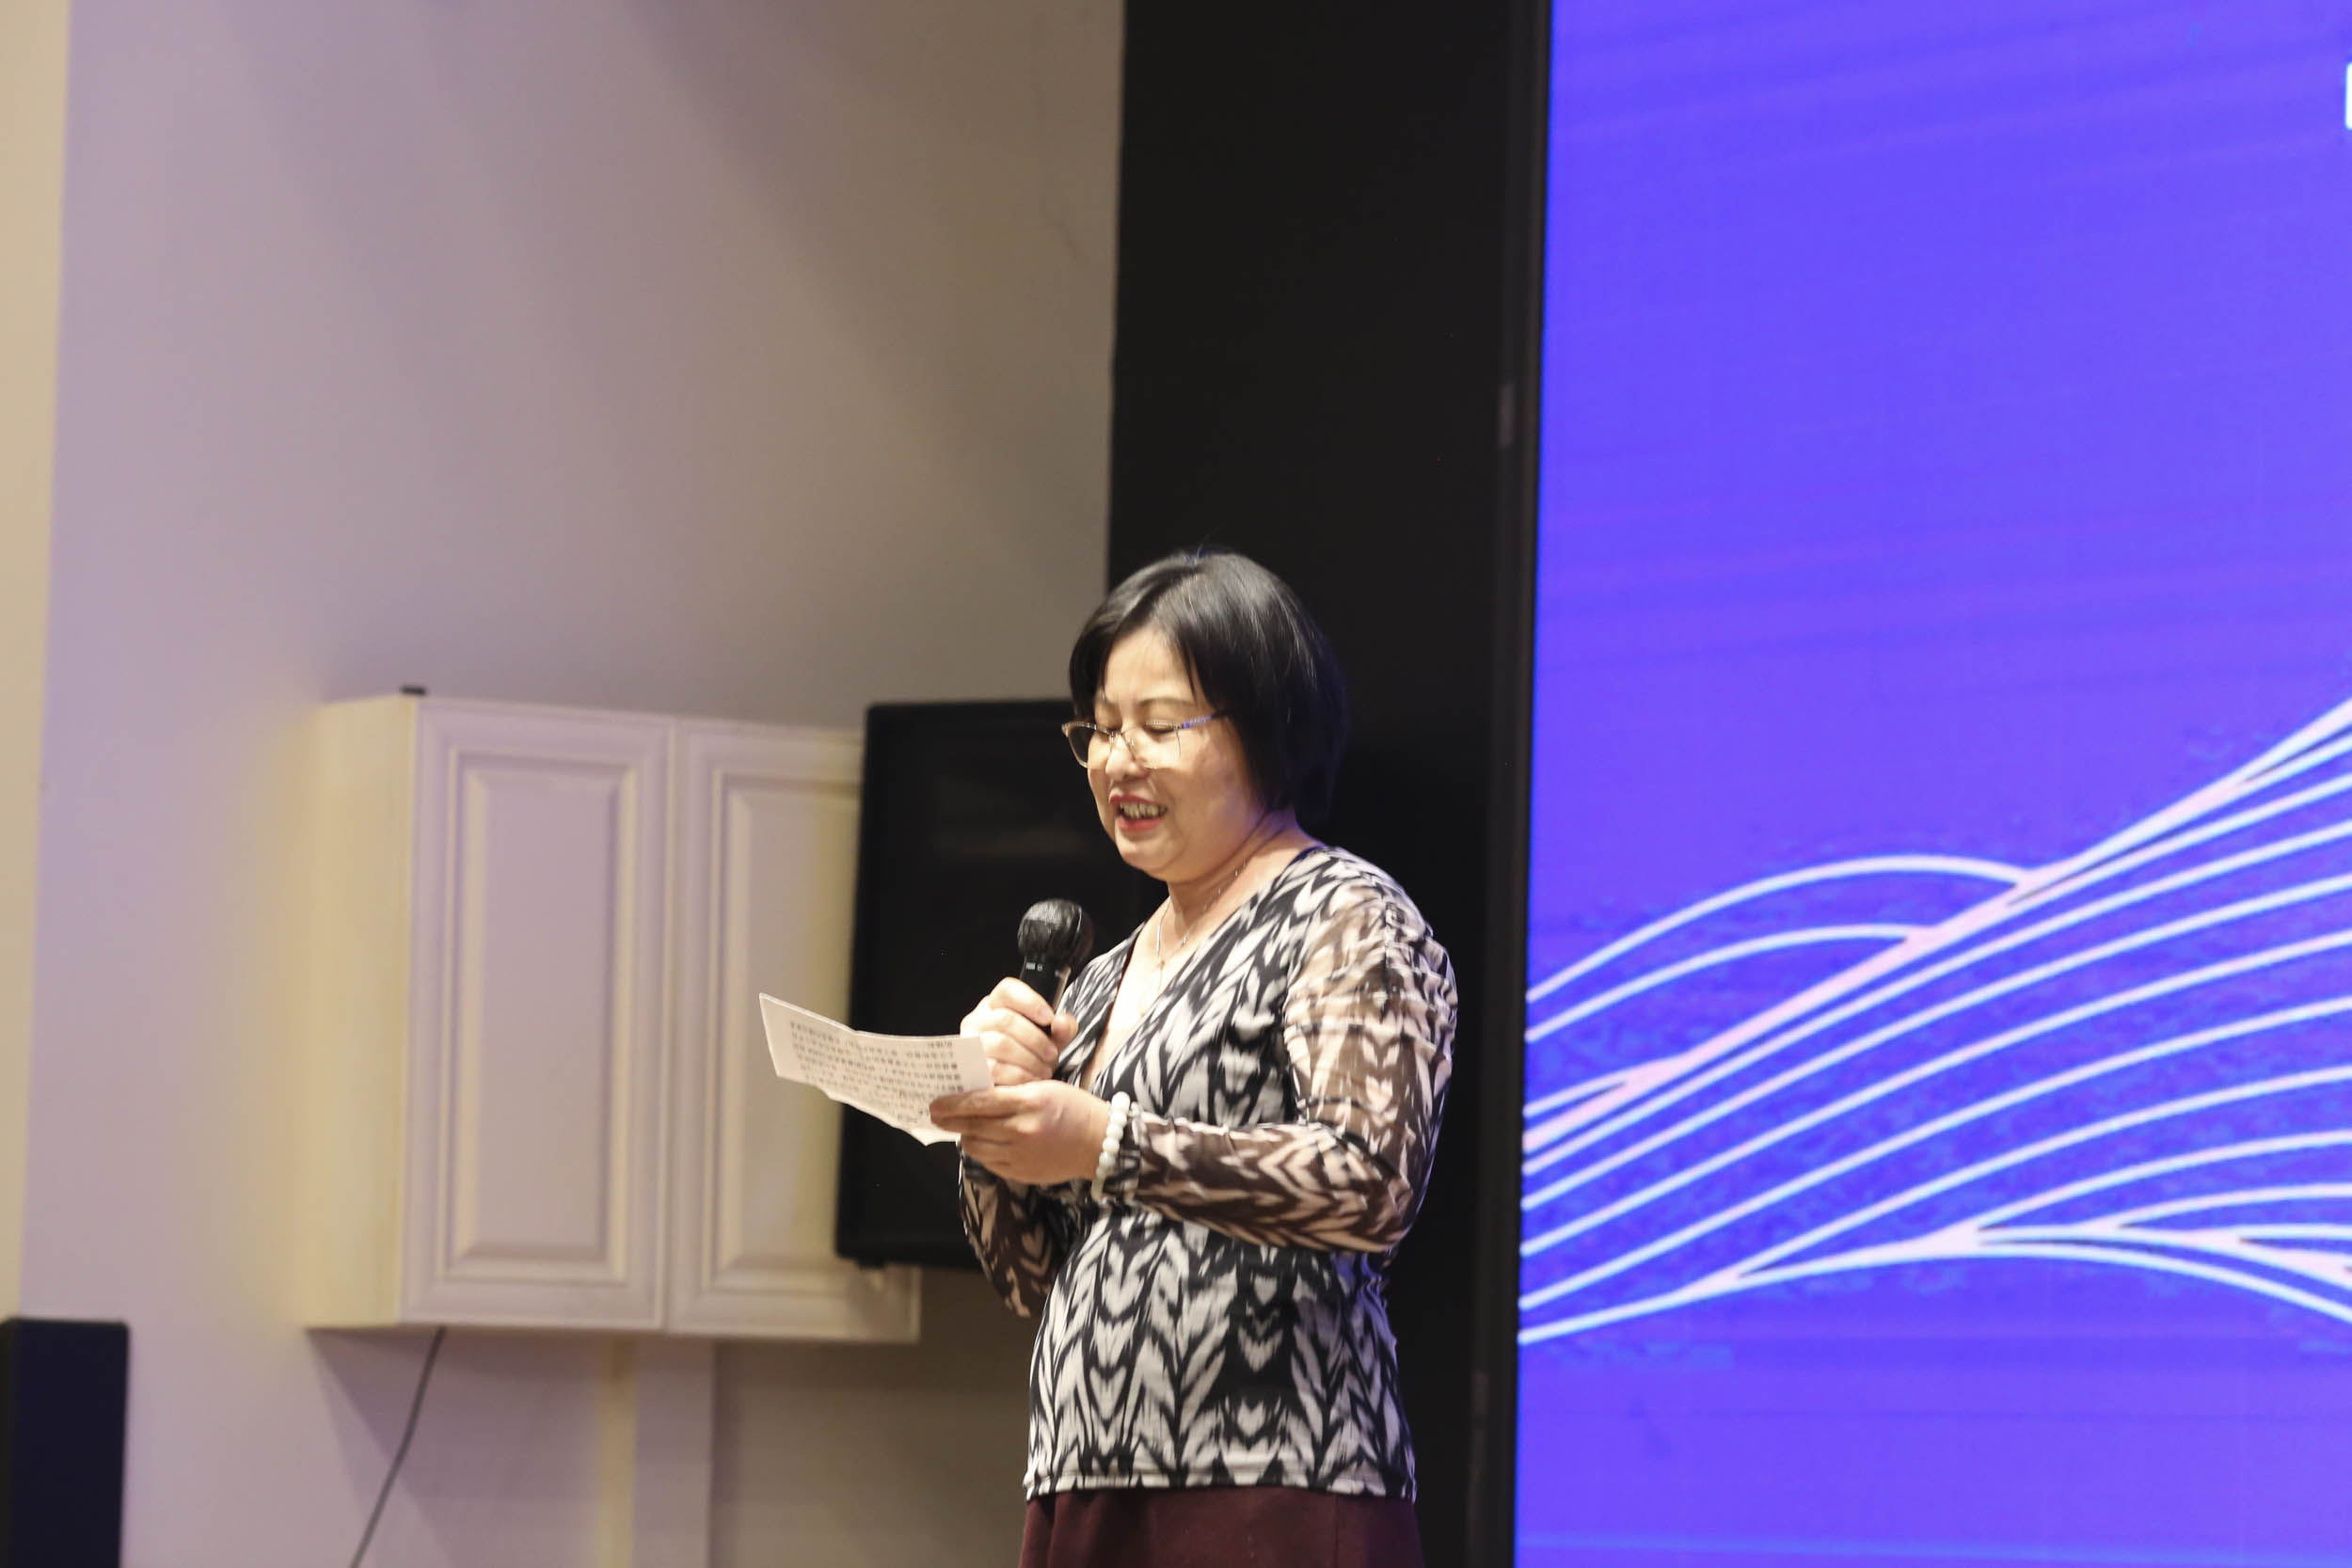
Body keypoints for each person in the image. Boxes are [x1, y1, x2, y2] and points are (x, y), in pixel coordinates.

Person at [929, 549, 1457, 1568]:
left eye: (1160, 724)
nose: (1117, 761)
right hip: (1084, 1475)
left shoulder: (1345, 914)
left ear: (1265, 725)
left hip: (1277, 1474)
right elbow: (1028, 1278)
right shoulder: (1098, 976)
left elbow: (1370, 1181)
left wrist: (1109, 1142)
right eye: (1100, 729)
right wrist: (990, 1124)